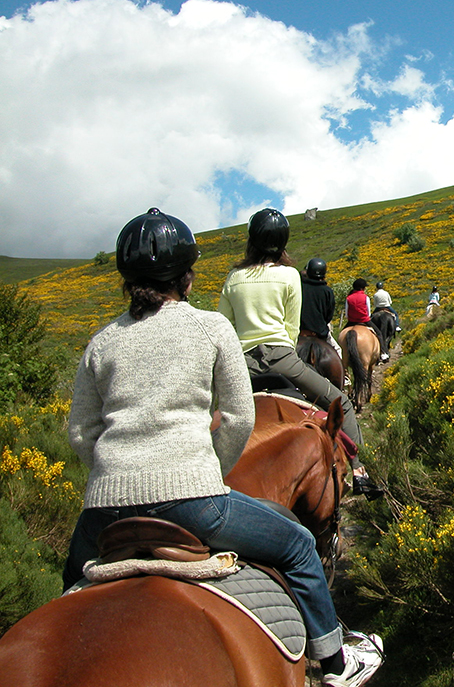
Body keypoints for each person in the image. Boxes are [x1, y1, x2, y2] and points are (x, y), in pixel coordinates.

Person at [62, 208, 381, 687]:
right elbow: (237, 417)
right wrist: (210, 472)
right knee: (296, 546)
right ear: (188, 277)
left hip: (104, 511)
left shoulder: (101, 342)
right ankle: (336, 663)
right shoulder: (211, 329)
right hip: (193, 501)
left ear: (126, 280)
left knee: (67, 598)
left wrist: (114, 472)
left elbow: (81, 433)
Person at [218, 209, 379, 497]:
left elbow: (224, 326)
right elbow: (292, 328)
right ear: (283, 243)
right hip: (283, 359)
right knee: (341, 403)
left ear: (251, 240)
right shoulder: (290, 275)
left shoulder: (234, 277)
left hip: (241, 363)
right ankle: (359, 470)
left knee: (208, 413)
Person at [300, 257, 344, 357]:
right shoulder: (327, 291)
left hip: (300, 332)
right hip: (319, 332)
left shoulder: (300, 287)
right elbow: (329, 315)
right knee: (338, 351)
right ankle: (344, 372)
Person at [344, 277, 389, 362]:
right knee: (379, 333)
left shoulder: (348, 298)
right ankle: (383, 353)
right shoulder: (365, 297)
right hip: (364, 320)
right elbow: (368, 313)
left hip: (351, 321)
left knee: (341, 336)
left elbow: (346, 314)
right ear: (362, 288)